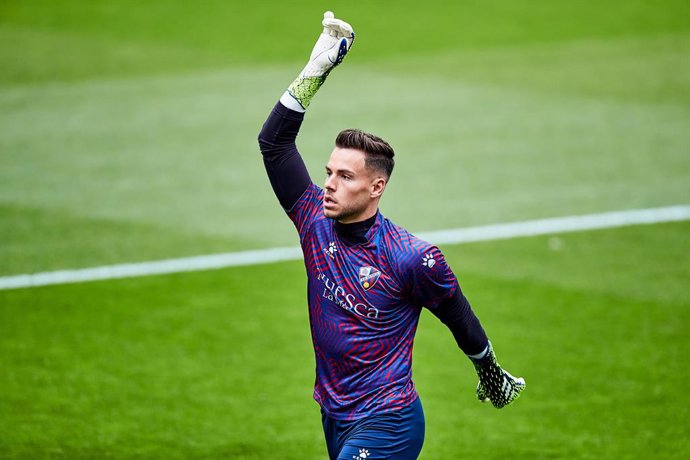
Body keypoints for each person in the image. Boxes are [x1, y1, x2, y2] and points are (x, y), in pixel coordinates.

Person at [257, 12, 525, 460]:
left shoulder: (412, 258)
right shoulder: (312, 219)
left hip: (390, 421)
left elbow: (460, 318)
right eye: (328, 173)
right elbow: (274, 144)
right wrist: (314, 71)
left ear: (376, 187)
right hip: (335, 414)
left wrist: (489, 369)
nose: (329, 184)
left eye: (345, 176)